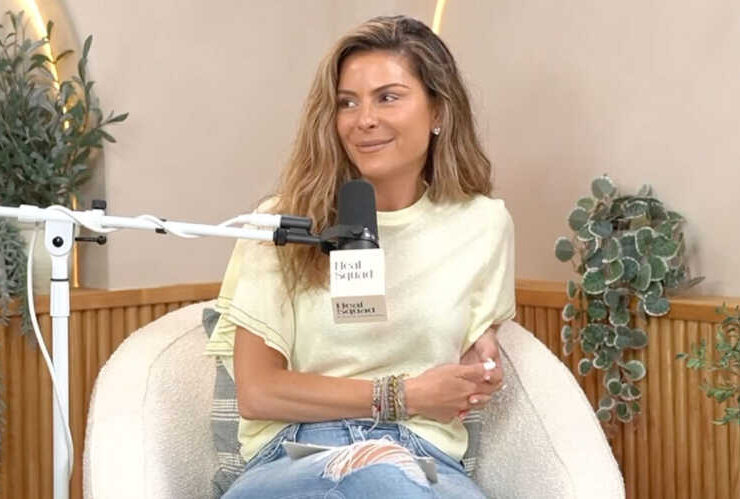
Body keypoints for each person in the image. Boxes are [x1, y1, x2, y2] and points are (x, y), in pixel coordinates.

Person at [206, 15, 515, 498]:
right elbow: (259, 392)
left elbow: (475, 354)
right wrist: (403, 395)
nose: (363, 119)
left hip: (422, 459)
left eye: (388, 97)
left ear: (438, 111)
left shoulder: (483, 224)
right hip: (296, 454)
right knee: (376, 476)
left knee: (388, 478)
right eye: (347, 102)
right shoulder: (285, 224)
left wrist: (481, 362)